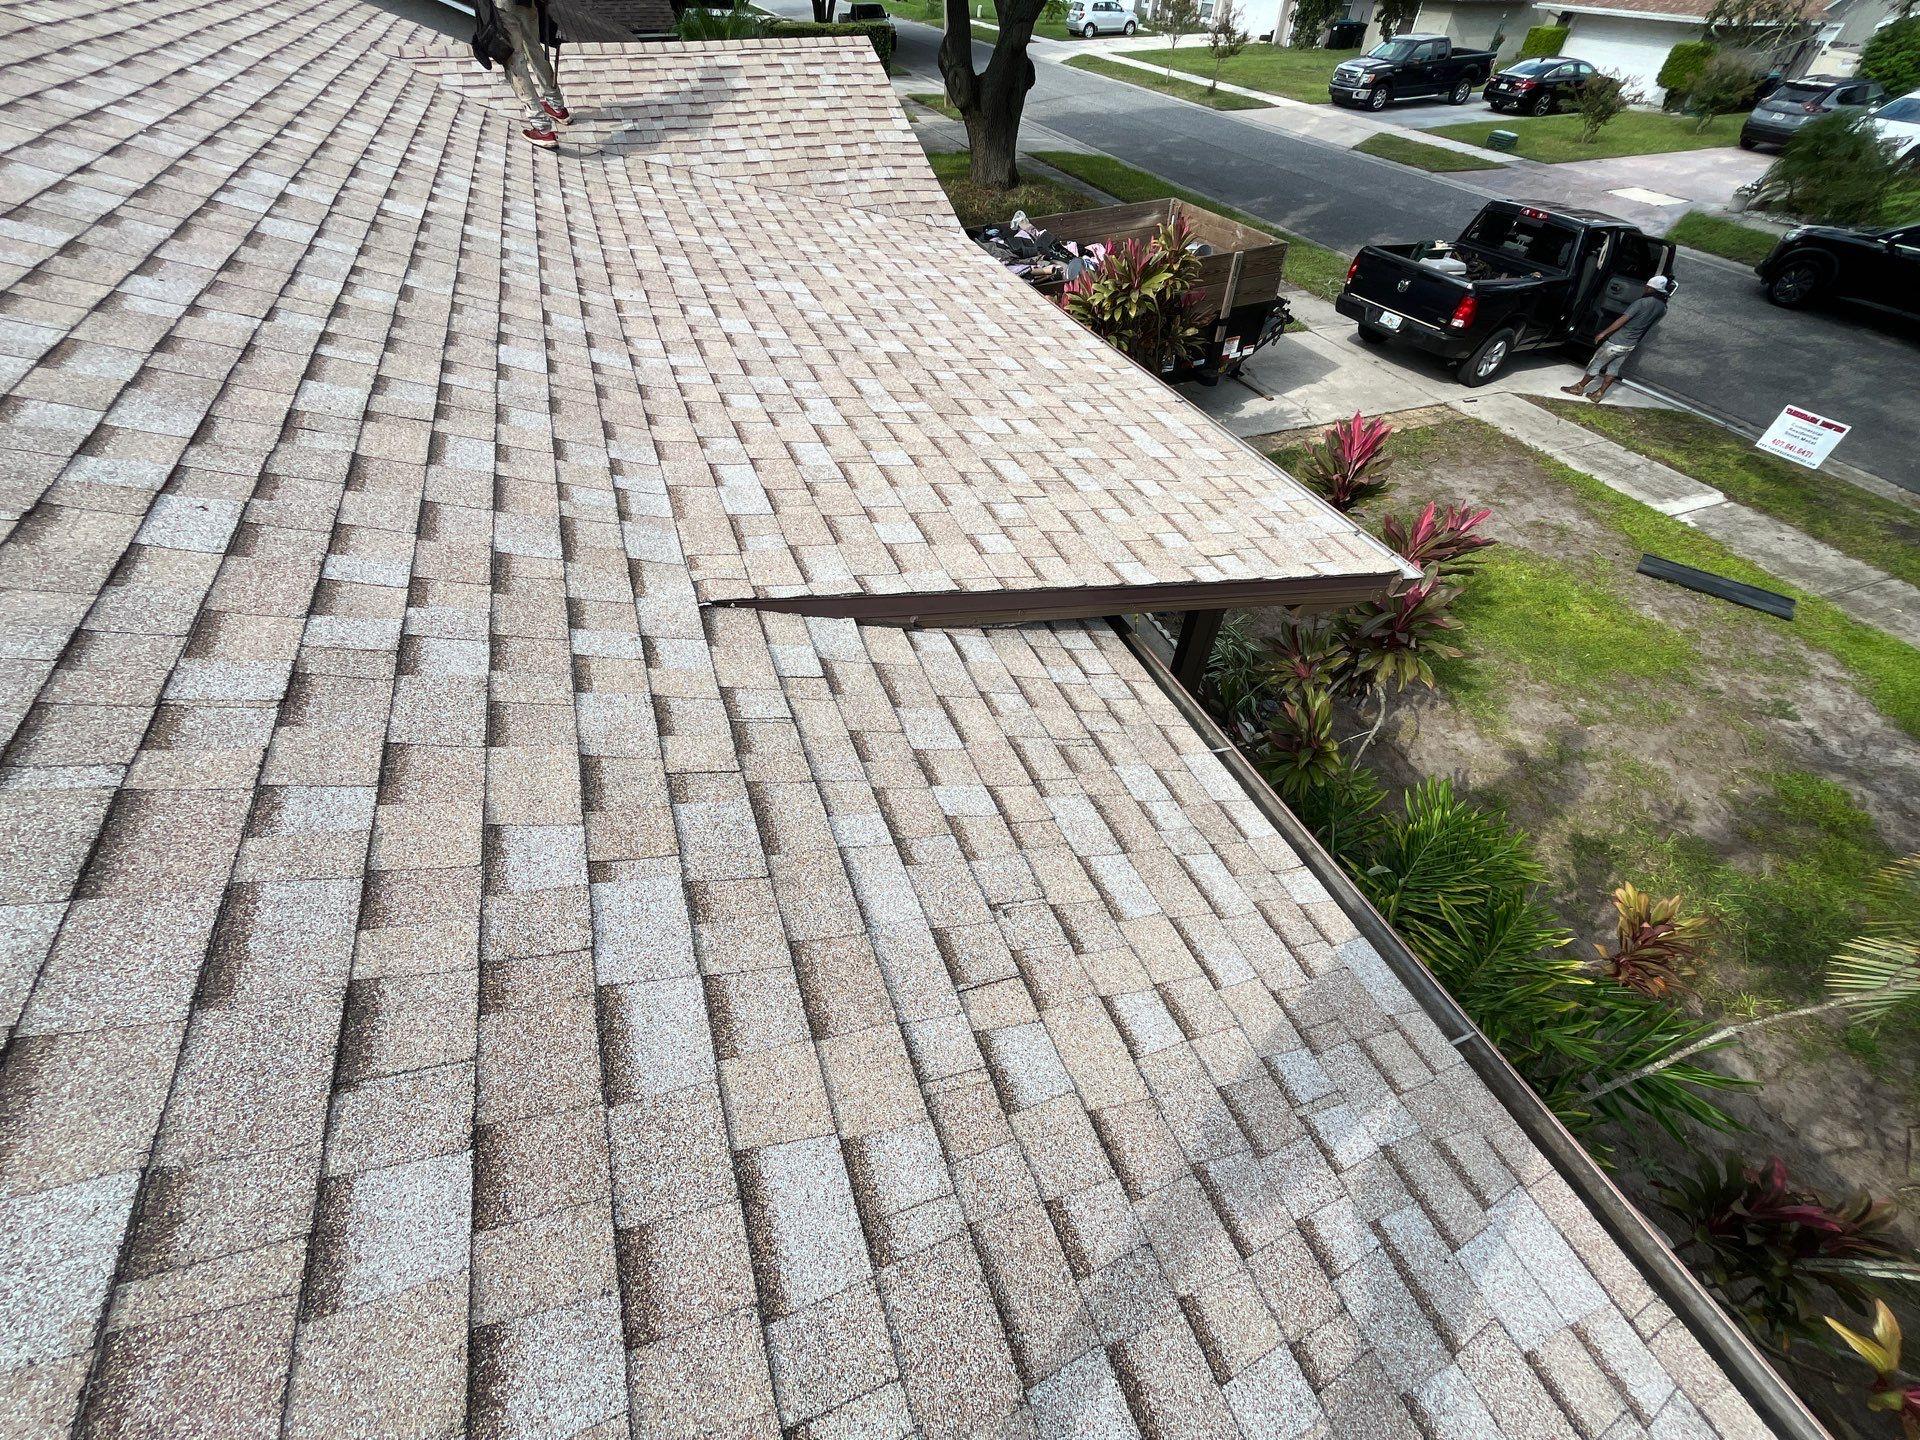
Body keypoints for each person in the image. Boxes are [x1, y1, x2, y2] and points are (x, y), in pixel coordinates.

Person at [472, 0, 571, 149]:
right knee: (535, 49)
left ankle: (542, 128)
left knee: (515, 61)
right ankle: (557, 106)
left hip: (504, 6)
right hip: (527, 3)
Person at [1562, 274, 1672, 405]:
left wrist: (1604, 333)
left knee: (1595, 364)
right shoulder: (1662, 308)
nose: (1645, 289)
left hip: (1616, 341)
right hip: (1630, 345)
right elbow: (1650, 326)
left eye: (1647, 287)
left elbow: (1622, 320)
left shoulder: (1641, 303)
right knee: (1613, 370)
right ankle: (1599, 394)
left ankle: (1578, 388)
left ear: (1651, 289)